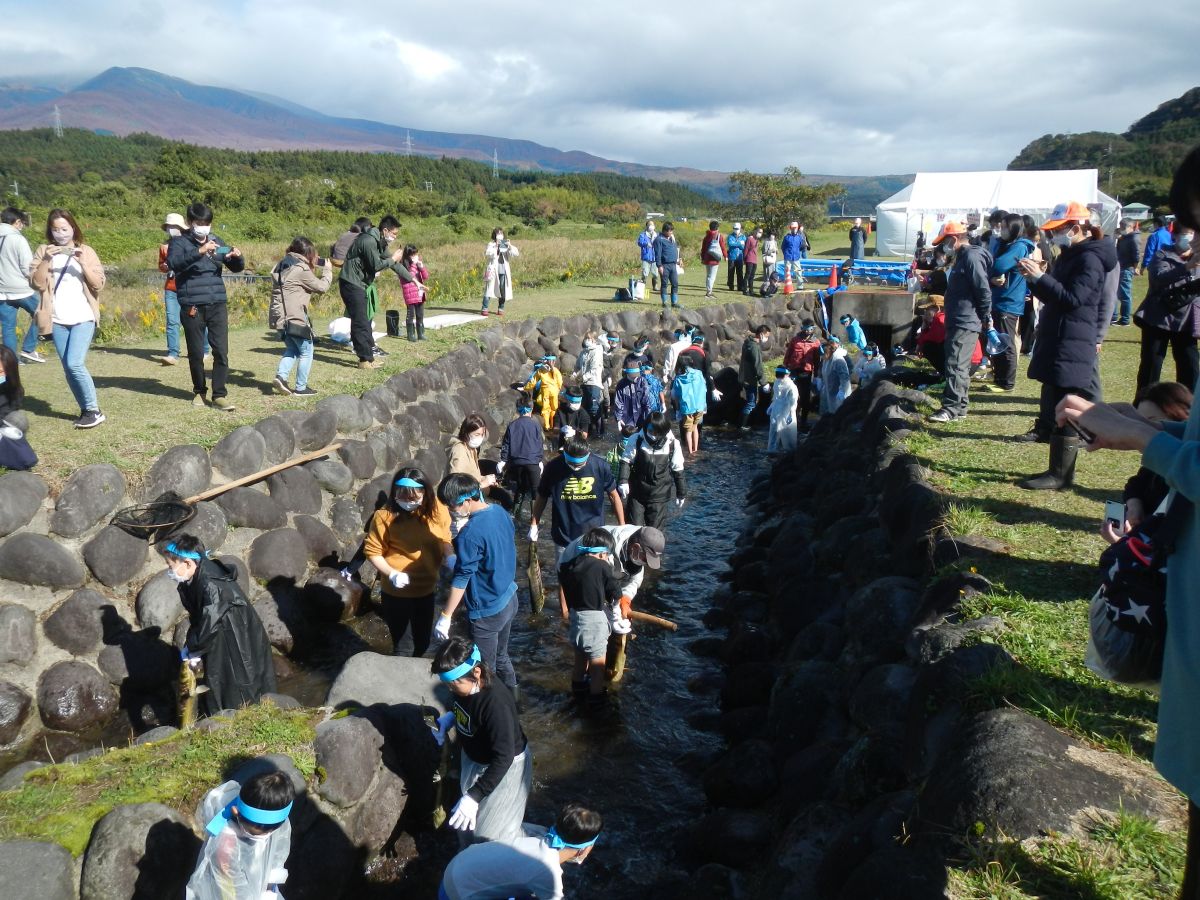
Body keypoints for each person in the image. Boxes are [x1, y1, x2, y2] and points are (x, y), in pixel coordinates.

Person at [1015, 201, 1116, 490]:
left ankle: (1061, 474)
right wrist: (1035, 280)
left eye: (1059, 230)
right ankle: (1056, 468)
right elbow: (1056, 294)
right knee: (1055, 398)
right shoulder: (1071, 254)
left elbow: (1073, 299)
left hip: (1072, 337)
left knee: (1066, 404)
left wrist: (1039, 277)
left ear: (1076, 227)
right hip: (1060, 335)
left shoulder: (1090, 259)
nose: (1054, 236)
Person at [429, 636, 531, 844]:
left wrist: (475, 795)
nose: (450, 689)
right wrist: (449, 719)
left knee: (492, 837)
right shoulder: (463, 688)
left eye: (454, 683)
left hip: (506, 767)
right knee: (469, 827)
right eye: (446, 684)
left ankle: (539, 850)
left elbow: (504, 757)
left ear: (477, 672)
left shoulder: (495, 704)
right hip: (475, 758)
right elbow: (461, 704)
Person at [166, 534, 276, 715]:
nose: (170, 571)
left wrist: (194, 647)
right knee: (223, 679)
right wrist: (192, 645)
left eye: (171, 566)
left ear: (187, 563)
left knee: (238, 681)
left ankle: (242, 719)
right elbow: (202, 617)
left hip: (234, 636)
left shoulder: (211, 584)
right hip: (224, 632)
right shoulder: (197, 576)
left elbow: (210, 621)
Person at [435, 474, 519, 690]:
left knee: (485, 667)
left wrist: (445, 616)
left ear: (466, 500)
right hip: (510, 596)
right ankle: (514, 699)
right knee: (502, 656)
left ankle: (490, 705)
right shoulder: (500, 512)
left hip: (487, 611)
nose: (450, 510)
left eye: (451, 505)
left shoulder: (469, 534)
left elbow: (461, 580)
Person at [29, 209, 106, 428]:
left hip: (83, 316)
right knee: (68, 368)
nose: (60, 234)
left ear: (73, 228)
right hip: (57, 318)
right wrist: (46, 260)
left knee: (74, 363)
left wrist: (81, 263)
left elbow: (98, 284)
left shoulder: (86, 251)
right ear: (50, 231)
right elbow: (37, 283)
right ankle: (85, 410)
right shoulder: (44, 250)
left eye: (64, 228)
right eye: (55, 229)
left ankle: (94, 410)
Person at [365, 467, 453, 656]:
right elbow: (373, 552)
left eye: (413, 499)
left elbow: (445, 537)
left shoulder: (438, 511)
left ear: (425, 493)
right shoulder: (384, 517)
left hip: (426, 588)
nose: (407, 503)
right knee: (403, 647)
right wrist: (392, 573)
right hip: (396, 592)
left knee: (423, 643)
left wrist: (450, 555)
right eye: (402, 498)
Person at [438, 802, 603, 900]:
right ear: (583, 849)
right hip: (456, 894)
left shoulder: (533, 833)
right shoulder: (548, 872)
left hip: (454, 869)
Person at [167, 202, 244, 410]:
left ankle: (219, 394)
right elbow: (174, 264)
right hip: (192, 304)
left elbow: (237, 268)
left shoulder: (217, 240)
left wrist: (236, 258)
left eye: (207, 223)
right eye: (200, 222)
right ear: (191, 223)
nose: (205, 226)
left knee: (221, 351)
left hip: (217, 301)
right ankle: (199, 392)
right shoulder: (179, 243)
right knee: (195, 352)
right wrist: (200, 251)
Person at [1100, 381, 1192, 545]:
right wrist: (1135, 504)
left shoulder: (1184, 481)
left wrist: (1126, 542)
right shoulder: (1154, 465)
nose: (1140, 429)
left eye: (1153, 422)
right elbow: (1135, 484)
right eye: (1137, 421)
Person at [186, 770, 294, 900]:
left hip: (259, 882)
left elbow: (279, 847)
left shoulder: (276, 821)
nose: (266, 836)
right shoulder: (225, 844)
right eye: (255, 833)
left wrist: (270, 884)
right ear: (236, 812)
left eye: (270, 831)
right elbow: (231, 887)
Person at [927, 221, 992, 423]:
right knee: (956, 363)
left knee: (956, 364)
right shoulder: (962, 258)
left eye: (945, 242)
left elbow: (982, 289)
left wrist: (985, 316)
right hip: (957, 318)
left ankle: (951, 408)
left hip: (965, 319)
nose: (943, 247)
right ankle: (960, 406)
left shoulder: (971, 257)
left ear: (954, 239)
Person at [558, 527, 624, 709]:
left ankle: (577, 694)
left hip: (576, 618)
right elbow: (616, 592)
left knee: (580, 660)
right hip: (594, 621)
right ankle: (596, 702)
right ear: (603, 553)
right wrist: (616, 608)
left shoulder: (570, 565)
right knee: (597, 666)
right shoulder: (602, 566)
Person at [557, 524, 665, 636]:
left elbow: (635, 577)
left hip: (603, 568)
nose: (646, 563)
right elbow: (600, 582)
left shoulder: (640, 542)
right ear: (636, 547)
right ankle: (567, 628)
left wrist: (625, 599)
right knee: (578, 615)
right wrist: (612, 607)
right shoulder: (605, 550)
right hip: (570, 566)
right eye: (645, 559)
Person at [532, 435, 624, 563]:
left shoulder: (601, 467)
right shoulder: (553, 468)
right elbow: (542, 497)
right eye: (572, 464)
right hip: (564, 535)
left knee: (594, 577)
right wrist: (533, 524)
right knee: (565, 577)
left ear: (588, 454)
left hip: (595, 536)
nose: (575, 467)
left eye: (580, 464)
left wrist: (622, 526)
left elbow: (614, 496)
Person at [1133, 225, 1199, 395]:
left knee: (1189, 364)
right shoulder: (1163, 253)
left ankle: (1188, 407)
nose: (1190, 238)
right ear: (1175, 236)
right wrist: (1186, 267)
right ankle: (1144, 403)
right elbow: (1158, 278)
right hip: (1158, 317)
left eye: (1193, 234)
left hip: (1186, 319)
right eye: (1186, 234)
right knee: (1151, 364)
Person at [339, 215, 408, 369]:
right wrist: (394, 258)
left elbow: (394, 265)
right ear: (385, 230)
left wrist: (413, 281)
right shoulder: (369, 241)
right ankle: (364, 360)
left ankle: (369, 357)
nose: (395, 237)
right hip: (351, 283)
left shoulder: (379, 242)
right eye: (394, 233)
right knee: (360, 322)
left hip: (359, 284)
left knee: (364, 321)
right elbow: (377, 265)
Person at [269, 236, 332, 397]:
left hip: (279, 316)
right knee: (306, 350)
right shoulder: (301, 269)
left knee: (292, 348)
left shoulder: (281, 265)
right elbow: (322, 287)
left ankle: (281, 377)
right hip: (294, 316)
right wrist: (327, 270)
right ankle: (301, 387)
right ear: (308, 253)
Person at [985, 213, 1037, 393]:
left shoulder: (1019, 247)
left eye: (1005, 226)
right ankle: (999, 377)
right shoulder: (1005, 244)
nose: (1001, 230)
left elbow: (998, 265)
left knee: (1005, 341)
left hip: (1009, 301)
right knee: (997, 339)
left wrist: (990, 268)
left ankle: (1007, 381)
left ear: (1014, 228)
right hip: (1000, 299)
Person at [618, 412, 686, 529]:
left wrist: (681, 493)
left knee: (654, 534)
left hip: (659, 496)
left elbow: (678, 470)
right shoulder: (636, 439)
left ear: (664, 431)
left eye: (657, 432)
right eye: (650, 430)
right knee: (633, 530)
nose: (653, 434)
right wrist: (623, 481)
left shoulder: (673, 444)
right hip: (637, 494)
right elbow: (626, 461)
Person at [0, 207, 42, 364]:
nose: (22, 226)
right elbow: (27, 268)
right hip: (22, 289)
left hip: (2, 292)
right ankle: (29, 349)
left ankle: (11, 362)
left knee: (8, 328)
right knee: (43, 313)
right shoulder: (17, 239)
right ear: (16, 222)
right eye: (22, 223)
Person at [499, 392, 544, 516]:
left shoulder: (512, 425)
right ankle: (535, 519)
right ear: (531, 409)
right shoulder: (535, 425)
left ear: (518, 410)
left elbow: (506, 444)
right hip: (533, 462)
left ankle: (515, 514)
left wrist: (503, 460)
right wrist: (540, 460)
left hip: (516, 463)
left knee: (521, 488)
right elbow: (539, 444)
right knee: (535, 490)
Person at [154, 212, 190, 367]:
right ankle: (173, 353)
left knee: (195, 321)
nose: (171, 229)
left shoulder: (190, 244)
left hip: (189, 287)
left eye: (174, 226)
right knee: (172, 321)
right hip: (171, 288)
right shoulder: (164, 247)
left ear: (181, 228)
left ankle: (204, 349)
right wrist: (165, 266)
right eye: (169, 226)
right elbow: (161, 266)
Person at [784, 322, 822, 430]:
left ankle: (804, 420)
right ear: (802, 328)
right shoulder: (795, 340)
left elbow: (817, 360)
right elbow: (788, 353)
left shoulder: (816, 342)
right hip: (794, 371)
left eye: (809, 329)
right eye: (805, 329)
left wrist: (817, 375)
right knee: (793, 395)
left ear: (812, 329)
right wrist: (785, 366)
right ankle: (793, 418)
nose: (807, 332)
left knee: (805, 397)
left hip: (806, 372)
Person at [671, 353, 707, 456]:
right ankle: (695, 449)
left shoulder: (678, 378)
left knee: (688, 430)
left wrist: (677, 410)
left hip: (687, 408)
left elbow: (674, 395)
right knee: (695, 427)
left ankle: (690, 452)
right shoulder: (699, 373)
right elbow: (704, 388)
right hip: (699, 405)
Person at [739, 325, 772, 431]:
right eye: (767, 336)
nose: (767, 339)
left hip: (744, 376)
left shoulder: (747, 343)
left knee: (749, 400)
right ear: (762, 334)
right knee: (751, 403)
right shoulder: (754, 346)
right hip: (749, 378)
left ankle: (745, 423)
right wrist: (764, 382)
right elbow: (757, 365)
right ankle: (743, 425)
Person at [573, 331, 606, 436]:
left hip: (594, 383)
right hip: (584, 384)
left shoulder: (597, 351)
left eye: (589, 338)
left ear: (594, 340)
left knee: (594, 408)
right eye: (586, 338)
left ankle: (600, 430)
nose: (587, 340)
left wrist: (582, 378)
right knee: (585, 407)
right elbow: (578, 365)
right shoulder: (583, 352)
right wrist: (574, 374)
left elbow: (594, 369)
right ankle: (589, 429)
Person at [613, 354, 656, 432]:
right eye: (632, 376)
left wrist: (648, 419)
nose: (635, 378)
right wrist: (618, 418)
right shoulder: (621, 384)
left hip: (641, 417)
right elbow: (618, 402)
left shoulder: (643, 382)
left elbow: (647, 403)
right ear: (627, 374)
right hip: (626, 419)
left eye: (636, 376)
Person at [482, 227, 519, 317]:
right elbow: (488, 253)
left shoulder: (505, 244)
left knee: (503, 290)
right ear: (495, 235)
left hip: (503, 270)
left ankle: (500, 308)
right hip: (493, 270)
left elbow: (515, 254)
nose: (500, 235)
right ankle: (484, 308)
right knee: (489, 289)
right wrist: (496, 246)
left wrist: (509, 245)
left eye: (501, 233)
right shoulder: (491, 244)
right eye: (498, 233)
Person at [524, 354, 563, 431]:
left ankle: (547, 426)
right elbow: (560, 382)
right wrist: (558, 389)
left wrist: (525, 387)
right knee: (554, 407)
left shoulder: (540, 370)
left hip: (545, 392)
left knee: (546, 408)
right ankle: (552, 425)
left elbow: (532, 381)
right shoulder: (555, 370)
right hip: (553, 392)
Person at [1114, 218, 1141, 326]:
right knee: (1116, 293)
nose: (1121, 229)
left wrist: (1135, 268)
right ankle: (1114, 316)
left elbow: (1136, 255)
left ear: (1131, 227)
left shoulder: (1134, 238)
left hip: (1127, 268)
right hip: (1120, 266)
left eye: (1123, 227)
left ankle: (1125, 319)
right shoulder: (1125, 237)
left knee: (1125, 295)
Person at [401, 244, 430, 341]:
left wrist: (421, 267)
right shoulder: (403, 265)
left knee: (420, 314)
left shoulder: (416, 264)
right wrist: (414, 264)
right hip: (410, 293)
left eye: (416, 254)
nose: (415, 256)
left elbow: (425, 277)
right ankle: (411, 334)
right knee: (410, 314)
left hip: (419, 293)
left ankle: (421, 333)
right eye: (412, 254)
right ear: (408, 255)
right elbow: (410, 276)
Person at [767, 365, 798, 455]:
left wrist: (791, 412)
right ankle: (772, 450)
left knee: (787, 432)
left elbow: (793, 400)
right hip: (776, 410)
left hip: (786, 411)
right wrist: (772, 406)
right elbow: (775, 397)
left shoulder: (791, 386)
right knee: (773, 431)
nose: (779, 378)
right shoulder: (777, 382)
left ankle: (789, 452)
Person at [816, 336, 851, 416]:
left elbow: (845, 378)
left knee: (838, 414)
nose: (821, 357)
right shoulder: (826, 359)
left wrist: (842, 391)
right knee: (829, 412)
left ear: (828, 352)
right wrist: (820, 380)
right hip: (829, 390)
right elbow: (825, 372)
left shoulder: (838, 360)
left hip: (839, 392)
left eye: (822, 354)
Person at [654, 222, 682, 308]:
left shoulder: (672, 238)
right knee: (664, 284)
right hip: (664, 265)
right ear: (665, 231)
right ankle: (665, 302)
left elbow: (676, 250)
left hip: (673, 265)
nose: (671, 232)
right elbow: (657, 254)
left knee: (675, 283)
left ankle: (674, 302)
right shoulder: (658, 240)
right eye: (670, 231)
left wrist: (679, 259)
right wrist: (659, 266)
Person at [700, 220, 725, 298]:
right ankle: (709, 292)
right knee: (712, 276)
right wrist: (725, 255)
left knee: (708, 275)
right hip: (715, 259)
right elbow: (723, 246)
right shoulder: (719, 236)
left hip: (707, 258)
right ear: (717, 228)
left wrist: (703, 258)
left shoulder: (707, 236)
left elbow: (703, 249)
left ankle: (708, 290)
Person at [637, 219, 659, 292]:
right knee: (644, 274)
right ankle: (642, 286)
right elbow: (639, 243)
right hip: (646, 257)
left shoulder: (657, 235)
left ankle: (655, 285)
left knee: (655, 274)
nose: (651, 226)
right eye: (650, 225)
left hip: (655, 258)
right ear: (646, 226)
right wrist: (646, 244)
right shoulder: (642, 235)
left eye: (652, 225)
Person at [726, 222, 746, 293]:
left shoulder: (743, 236)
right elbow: (730, 244)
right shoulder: (730, 236)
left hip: (740, 257)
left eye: (737, 229)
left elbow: (743, 246)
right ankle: (731, 286)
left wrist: (738, 244)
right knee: (731, 272)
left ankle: (740, 287)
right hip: (732, 257)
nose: (735, 230)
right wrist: (739, 243)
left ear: (740, 229)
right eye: (734, 228)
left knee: (740, 273)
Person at [744, 226, 761, 296]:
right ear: (755, 232)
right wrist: (744, 259)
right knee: (747, 275)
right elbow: (746, 249)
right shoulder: (749, 239)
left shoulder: (757, 240)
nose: (760, 234)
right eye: (759, 232)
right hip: (749, 259)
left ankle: (751, 290)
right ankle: (745, 290)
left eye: (761, 233)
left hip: (755, 260)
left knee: (752, 276)